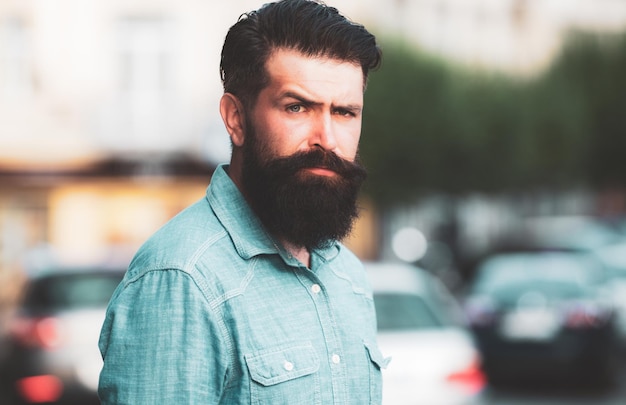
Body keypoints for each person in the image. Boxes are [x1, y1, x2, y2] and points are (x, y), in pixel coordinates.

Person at [98, 0, 387, 403]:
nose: (327, 138)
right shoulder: (181, 280)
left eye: (344, 112)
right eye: (297, 107)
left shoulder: (348, 277)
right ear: (235, 118)